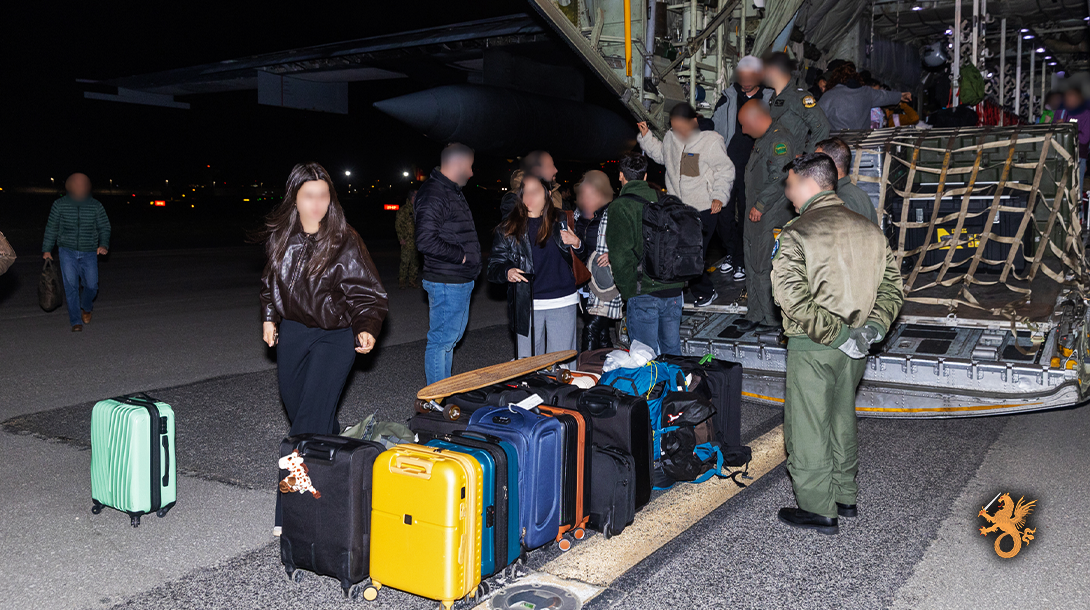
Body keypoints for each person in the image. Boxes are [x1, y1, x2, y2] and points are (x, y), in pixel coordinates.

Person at [770, 152, 903, 534]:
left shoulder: (797, 232)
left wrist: (838, 335)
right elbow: (893, 288)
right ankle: (845, 495)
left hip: (815, 343)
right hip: (857, 345)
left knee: (808, 425)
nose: (788, 192)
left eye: (790, 184)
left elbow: (791, 298)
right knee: (841, 417)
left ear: (809, 183)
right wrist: (871, 329)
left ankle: (817, 508)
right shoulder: (869, 229)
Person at [259, 162, 389, 534]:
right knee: (305, 411)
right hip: (295, 332)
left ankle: (292, 509)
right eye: (308, 196)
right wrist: (269, 317)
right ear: (294, 199)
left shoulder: (345, 239)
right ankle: (339, 463)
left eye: (323, 196)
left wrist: (366, 327)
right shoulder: (281, 237)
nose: (317, 204)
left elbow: (369, 293)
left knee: (305, 424)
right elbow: (270, 282)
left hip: (336, 335)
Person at [637, 103, 735, 307]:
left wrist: (719, 196)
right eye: (675, 127)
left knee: (693, 253)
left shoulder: (710, 141)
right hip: (678, 208)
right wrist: (647, 138)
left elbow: (725, 170)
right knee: (679, 252)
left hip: (704, 207)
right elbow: (662, 155)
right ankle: (686, 290)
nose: (679, 132)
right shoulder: (671, 138)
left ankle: (705, 291)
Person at [488, 174, 584, 358]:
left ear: (548, 194)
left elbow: (582, 258)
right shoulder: (508, 228)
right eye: (525, 192)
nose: (529, 197)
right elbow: (494, 266)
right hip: (527, 304)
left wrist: (577, 243)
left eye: (536, 191)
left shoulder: (562, 220)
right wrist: (507, 271)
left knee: (561, 364)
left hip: (563, 300)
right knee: (527, 363)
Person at [736, 99, 806, 332]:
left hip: (769, 213)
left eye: (745, 125)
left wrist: (761, 204)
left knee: (764, 265)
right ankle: (755, 313)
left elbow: (780, 177)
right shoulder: (764, 138)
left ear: (758, 119)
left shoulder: (779, 140)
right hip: (755, 213)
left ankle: (771, 318)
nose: (743, 130)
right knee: (751, 262)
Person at [606, 153, 686, 356]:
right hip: (673, 290)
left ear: (621, 176)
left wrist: (629, 291)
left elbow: (620, 256)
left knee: (644, 358)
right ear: (645, 176)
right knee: (672, 355)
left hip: (643, 292)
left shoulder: (620, 206)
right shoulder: (667, 201)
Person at [415, 143, 481, 384]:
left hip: (456, 279)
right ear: (458, 164)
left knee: (447, 341)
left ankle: (443, 392)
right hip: (447, 281)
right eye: (470, 166)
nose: (471, 173)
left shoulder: (450, 190)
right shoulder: (434, 193)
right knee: (440, 342)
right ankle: (436, 398)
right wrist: (461, 256)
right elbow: (425, 240)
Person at [712, 55, 774, 280]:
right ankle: (731, 253)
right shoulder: (727, 98)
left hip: (755, 168)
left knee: (749, 214)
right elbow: (715, 129)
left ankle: (742, 259)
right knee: (724, 215)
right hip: (728, 167)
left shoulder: (770, 98)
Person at [41, 173, 110, 332]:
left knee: (92, 286)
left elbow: (104, 227)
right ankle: (75, 321)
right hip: (67, 250)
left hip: (89, 251)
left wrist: (103, 244)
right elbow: (52, 228)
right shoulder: (59, 205)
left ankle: (86, 306)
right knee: (71, 286)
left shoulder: (95, 205)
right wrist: (47, 249)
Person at [573, 170, 616, 350]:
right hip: (584, 275)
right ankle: (605, 361)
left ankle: (585, 366)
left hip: (604, 277)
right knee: (602, 331)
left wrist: (613, 254)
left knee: (591, 328)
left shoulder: (613, 211)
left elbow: (629, 239)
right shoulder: (578, 214)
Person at [764, 52, 830, 152]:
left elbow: (822, 127)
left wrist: (808, 155)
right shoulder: (773, 98)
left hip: (791, 157)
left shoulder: (799, 97)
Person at [818, 61, 912, 131]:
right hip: (861, 143)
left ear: (834, 78)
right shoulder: (866, 92)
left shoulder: (829, 96)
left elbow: (815, 118)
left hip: (838, 144)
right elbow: (884, 96)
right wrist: (900, 96)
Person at [814, 137, 880, 225]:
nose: (813, 168)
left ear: (831, 164)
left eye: (817, 163)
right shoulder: (860, 194)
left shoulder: (839, 200)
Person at [1063, 87, 1090, 188]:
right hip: (1064, 155)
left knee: (1077, 189)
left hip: (1078, 156)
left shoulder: (1086, 114)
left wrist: (1068, 130)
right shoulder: (1066, 112)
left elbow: (1085, 138)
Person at [395, 188, 420, 289]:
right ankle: (402, 281)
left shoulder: (418, 209)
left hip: (417, 241)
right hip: (407, 241)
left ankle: (412, 281)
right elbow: (398, 225)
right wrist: (401, 238)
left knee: (415, 262)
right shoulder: (404, 210)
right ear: (411, 197)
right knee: (405, 262)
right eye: (415, 196)